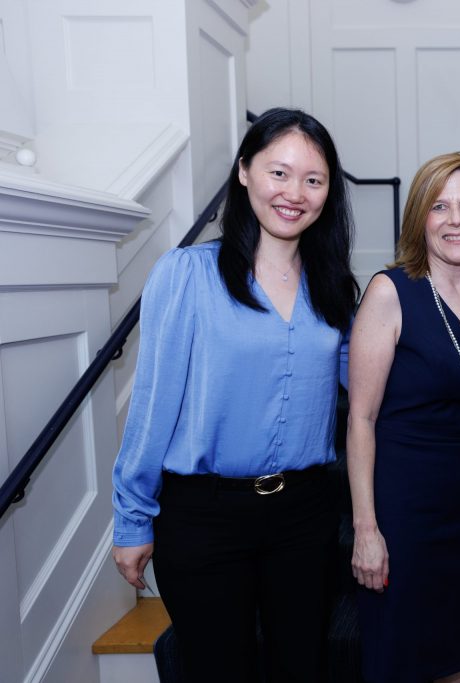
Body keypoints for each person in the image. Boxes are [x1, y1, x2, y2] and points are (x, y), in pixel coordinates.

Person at [111, 108, 359, 683]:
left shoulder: (333, 287)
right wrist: (132, 519)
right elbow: (152, 406)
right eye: (279, 172)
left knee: (303, 669)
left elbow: (367, 388)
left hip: (305, 514)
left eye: (313, 180)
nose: (294, 193)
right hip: (204, 518)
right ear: (245, 172)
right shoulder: (187, 274)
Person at [347, 151, 460, 683]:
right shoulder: (389, 291)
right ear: (419, 217)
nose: (456, 219)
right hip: (409, 515)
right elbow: (360, 419)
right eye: (440, 206)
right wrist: (366, 529)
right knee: (409, 662)